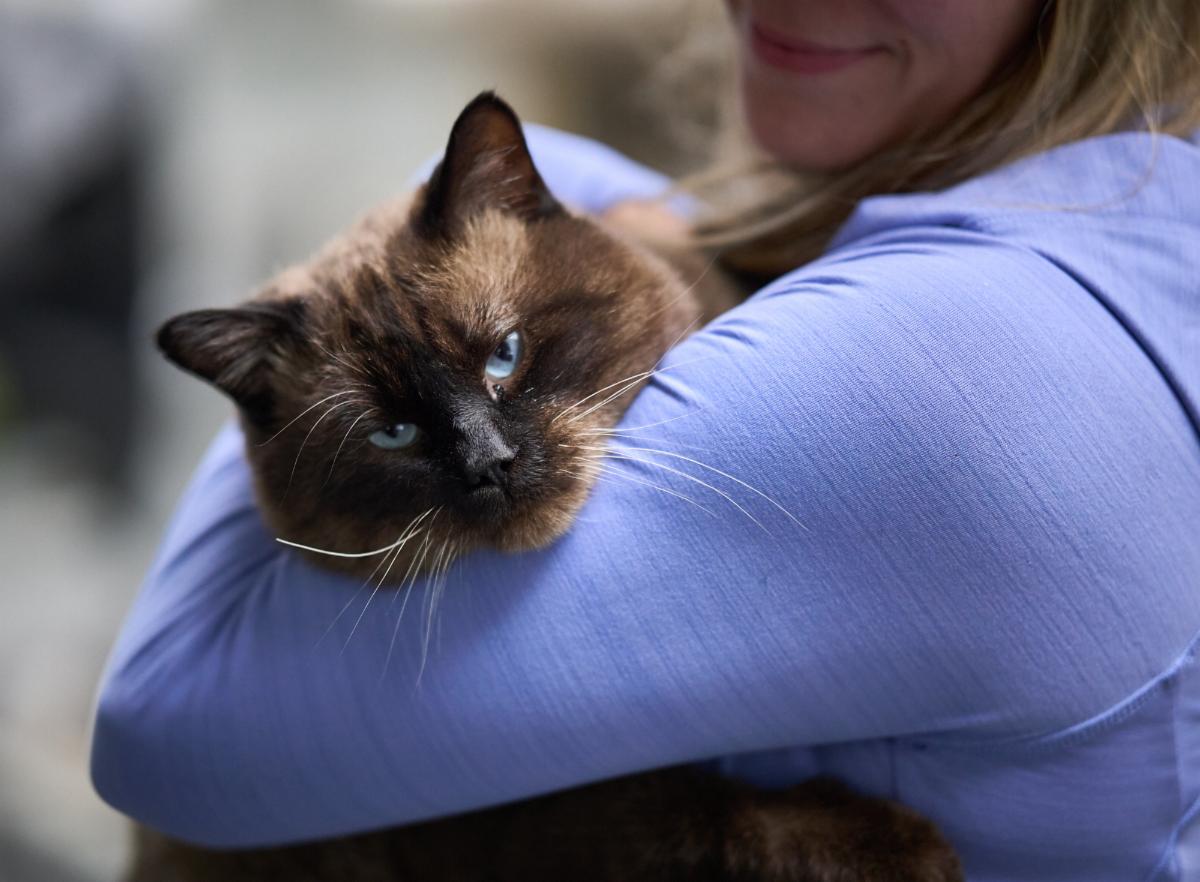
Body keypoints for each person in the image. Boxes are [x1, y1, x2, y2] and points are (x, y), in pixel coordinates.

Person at [92, 1, 1200, 879]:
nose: (487, 460)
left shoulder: (948, 365)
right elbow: (564, 185)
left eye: (504, 368)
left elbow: (157, 719)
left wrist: (315, 375)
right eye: (393, 430)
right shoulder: (1142, 215)